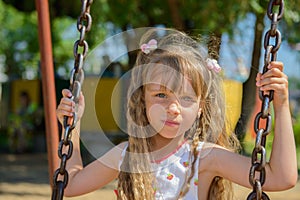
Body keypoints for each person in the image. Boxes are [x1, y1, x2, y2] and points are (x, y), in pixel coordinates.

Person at [56, 28, 297, 199]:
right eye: (161, 95)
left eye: (186, 98)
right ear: (143, 100)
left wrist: (281, 105)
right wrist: (72, 126)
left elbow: (281, 178)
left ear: (201, 107)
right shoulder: (127, 155)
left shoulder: (204, 157)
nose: (173, 108)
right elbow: (70, 184)